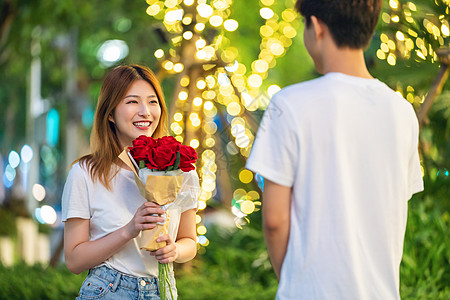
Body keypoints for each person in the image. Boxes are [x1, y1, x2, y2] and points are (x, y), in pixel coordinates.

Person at [246, 0, 424, 299]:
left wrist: (291, 283)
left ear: (316, 27)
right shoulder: (402, 111)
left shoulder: (288, 105)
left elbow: (275, 221)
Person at [62, 64, 199, 300]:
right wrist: (128, 230)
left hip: (163, 291)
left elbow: (190, 242)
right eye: (132, 102)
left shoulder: (181, 169)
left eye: (152, 101)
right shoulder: (85, 173)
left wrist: (175, 250)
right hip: (108, 290)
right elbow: (74, 260)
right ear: (110, 114)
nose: (145, 111)